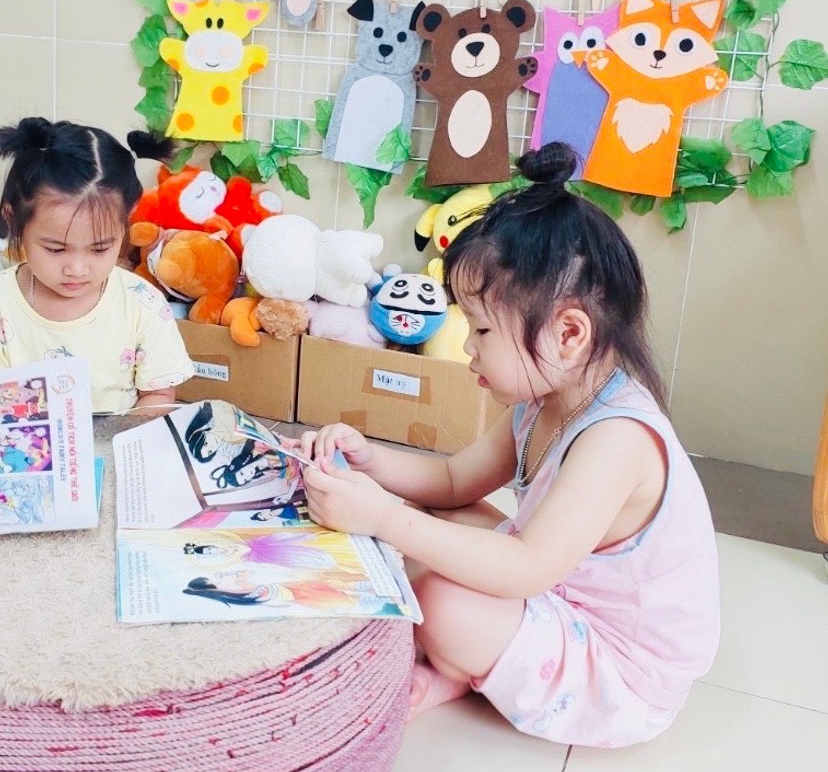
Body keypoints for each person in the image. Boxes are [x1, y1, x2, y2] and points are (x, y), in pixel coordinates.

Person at [300, 143, 718, 748]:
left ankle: (459, 668)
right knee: (431, 515)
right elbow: (452, 484)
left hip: (618, 672)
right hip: (558, 591)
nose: (468, 347)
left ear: (567, 333)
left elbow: (525, 568)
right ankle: (464, 668)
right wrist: (369, 459)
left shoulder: (618, 438)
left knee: (440, 595)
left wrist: (381, 518)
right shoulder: (542, 399)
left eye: (481, 329)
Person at [0, 117, 193, 413]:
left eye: (100, 249)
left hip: (118, 438)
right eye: (55, 249)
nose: (77, 269)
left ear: (128, 217)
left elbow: (158, 395)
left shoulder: (142, 303)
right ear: (13, 220)